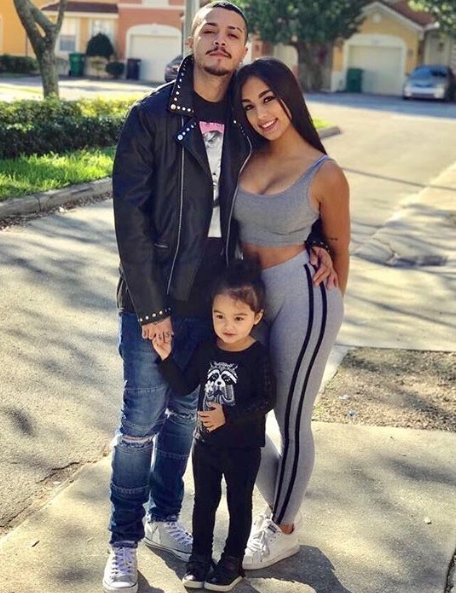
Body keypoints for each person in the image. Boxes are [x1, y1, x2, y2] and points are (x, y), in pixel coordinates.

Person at [105, 3, 333, 591]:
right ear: (192, 38)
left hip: (216, 306)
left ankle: (162, 520)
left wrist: (319, 241)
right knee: (139, 424)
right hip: (155, 299)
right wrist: (151, 309)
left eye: (234, 33)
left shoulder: (244, 117)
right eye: (211, 29)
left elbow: (288, 178)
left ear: (244, 48)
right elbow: (130, 220)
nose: (221, 40)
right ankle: (123, 541)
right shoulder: (152, 115)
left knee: (185, 418)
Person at [231, 57, 350, 570]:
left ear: (289, 97)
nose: (261, 114)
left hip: (305, 296)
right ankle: (283, 513)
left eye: (268, 99)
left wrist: (327, 316)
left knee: (291, 414)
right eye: (248, 106)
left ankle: (280, 528)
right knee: (239, 411)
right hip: (248, 302)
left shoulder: (325, 172)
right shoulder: (243, 155)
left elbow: (339, 248)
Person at [152, 258, 275, 591]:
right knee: (204, 504)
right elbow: (184, 385)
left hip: (243, 449)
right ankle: (199, 559)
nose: (227, 325)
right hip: (205, 445)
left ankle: (232, 561)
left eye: (238, 318)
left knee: (239, 504)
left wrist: (228, 415)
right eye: (219, 316)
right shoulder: (207, 348)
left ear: (257, 317)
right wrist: (166, 358)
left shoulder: (257, 355)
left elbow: (267, 399)